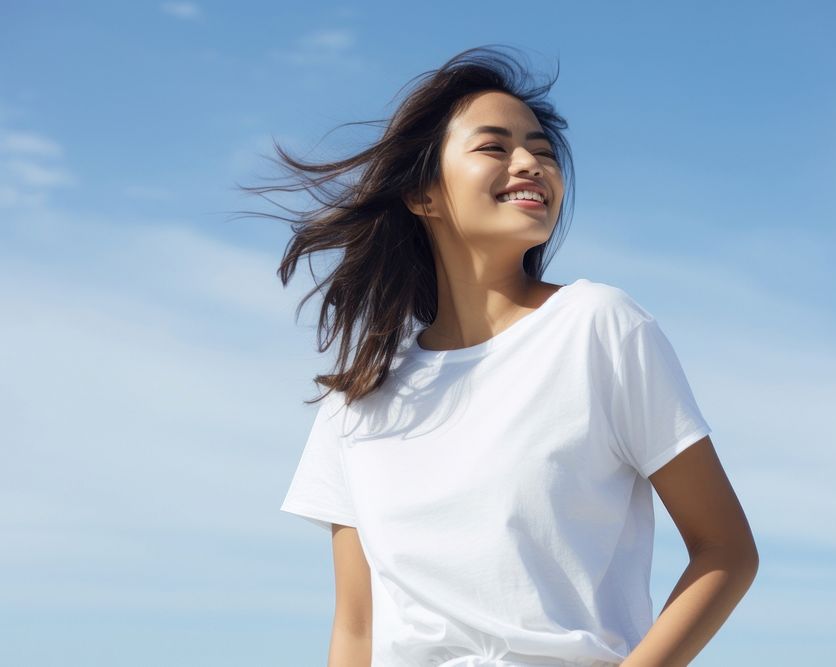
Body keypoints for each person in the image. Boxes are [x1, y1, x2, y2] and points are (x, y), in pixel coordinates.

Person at [260, 45, 758, 667]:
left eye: (543, 152)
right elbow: (356, 630)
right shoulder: (357, 396)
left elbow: (725, 549)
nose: (531, 164)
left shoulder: (597, 326)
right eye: (495, 147)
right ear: (423, 195)